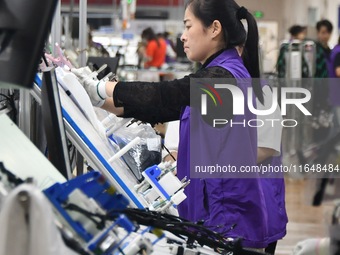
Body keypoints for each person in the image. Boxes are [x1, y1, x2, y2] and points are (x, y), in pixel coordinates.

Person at [72, 0, 283, 250]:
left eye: (188, 26)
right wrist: (94, 98)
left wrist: (98, 86)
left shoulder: (225, 76)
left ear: (214, 28)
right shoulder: (216, 73)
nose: (182, 37)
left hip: (228, 222)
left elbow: (165, 94)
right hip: (210, 216)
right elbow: (158, 107)